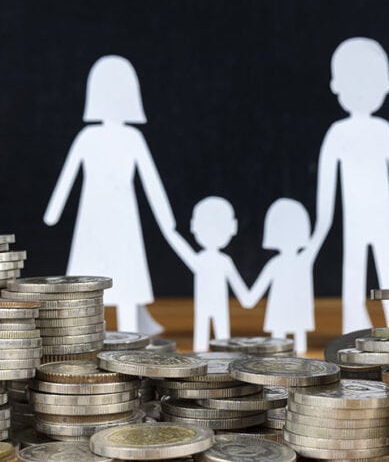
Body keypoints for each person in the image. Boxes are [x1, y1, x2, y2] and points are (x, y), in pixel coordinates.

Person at [43, 55, 175, 335]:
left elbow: (150, 181)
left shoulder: (98, 137)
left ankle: (127, 339)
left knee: (114, 281)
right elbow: (152, 184)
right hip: (104, 219)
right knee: (104, 280)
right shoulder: (105, 138)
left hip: (111, 217)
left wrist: (53, 213)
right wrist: (167, 219)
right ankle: (106, 336)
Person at [306, 37, 389, 333]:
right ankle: (353, 329)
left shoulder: (384, 131)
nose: (360, 92)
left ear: (386, 85)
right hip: (356, 223)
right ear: (336, 87)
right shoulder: (337, 133)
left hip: (382, 221)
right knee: (354, 273)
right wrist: (321, 227)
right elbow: (326, 187)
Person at [166, 196, 250, 352]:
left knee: (221, 341)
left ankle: (221, 364)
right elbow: (177, 243)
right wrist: (169, 230)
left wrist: (248, 299)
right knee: (203, 342)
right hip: (205, 307)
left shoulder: (221, 261)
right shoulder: (203, 260)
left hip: (216, 307)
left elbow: (241, 290)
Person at [242, 198, 315, 354]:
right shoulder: (301, 260)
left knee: (296, 347)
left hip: (290, 313)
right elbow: (255, 293)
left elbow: (253, 295)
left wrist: (247, 298)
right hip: (284, 314)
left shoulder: (302, 260)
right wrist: (247, 298)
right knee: (280, 348)